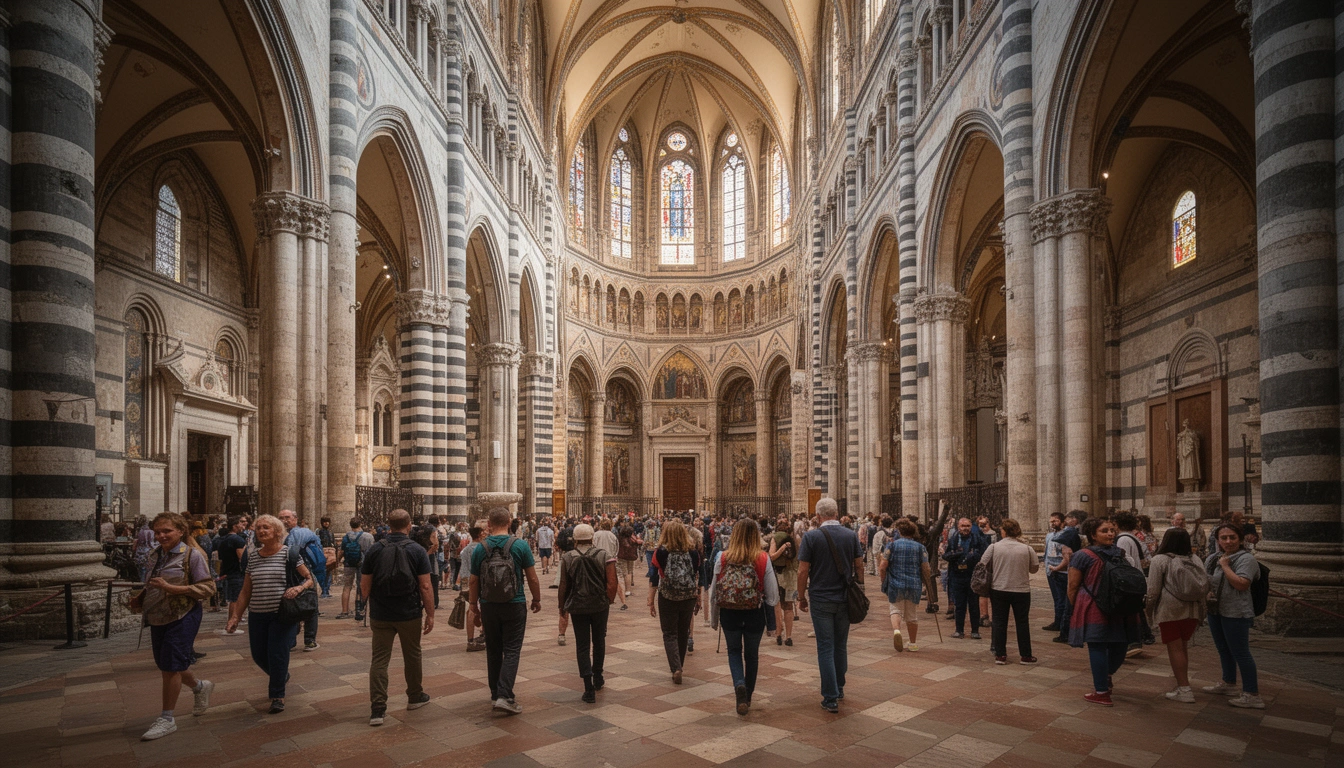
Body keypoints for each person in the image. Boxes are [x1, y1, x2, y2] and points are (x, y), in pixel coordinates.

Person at [132, 512, 216, 740]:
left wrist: (173, 589)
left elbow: (208, 588)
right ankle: (200, 686)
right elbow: (154, 583)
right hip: (158, 615)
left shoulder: (192, 555)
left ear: (180, 531)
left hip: (183, 614)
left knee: (170, 666)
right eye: (158, 532)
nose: (161, 536)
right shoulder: (154, 555)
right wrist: (140, 598)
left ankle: (167, 719)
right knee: (168, 663)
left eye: (167, 531)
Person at [225, 514, 315, 714]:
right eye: (258, 528)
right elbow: (246, 591)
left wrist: (298, 589)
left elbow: (309, 578)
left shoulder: (289, 554)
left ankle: (277, 695)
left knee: (277, 654)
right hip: (258, 613)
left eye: (266, 528)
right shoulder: (253, 556)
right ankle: (280, 676)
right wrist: (235, 617)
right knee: (258, 655)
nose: (261, 531)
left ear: (277, 532)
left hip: (282, 614)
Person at [361, 508, 434, 726]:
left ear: (388, 525)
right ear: (409, 525)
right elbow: (426, 585)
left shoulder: (375, 549)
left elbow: (364, 587)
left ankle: (378, 708)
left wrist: (371, 601)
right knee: (412, 655)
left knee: (379, 660)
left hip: (381, 613)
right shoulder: (417, 550)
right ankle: (414, 696)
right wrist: (430, 614)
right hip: (409, 612)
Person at [469, 507, 542, 714]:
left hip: (489, 605)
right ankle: (505, 695)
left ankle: (495, 694)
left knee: (493, 649)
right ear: (509, 522)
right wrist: (536, 599)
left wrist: (474, 606)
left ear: (489, 525)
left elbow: (473, 580)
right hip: (515, 603)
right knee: (511, 649)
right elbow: (532, 577)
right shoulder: (519, 545)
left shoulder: (480, 548)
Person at [1067, 518, 1142, 706]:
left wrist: (1077, 606)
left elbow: (1073, 587)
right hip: (1105, 604)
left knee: (1115, 645)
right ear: (1093, 535)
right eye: (1104, 531)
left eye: (1111, 530)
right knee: (1105, 644)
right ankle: (1103, 685)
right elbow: (1073, 585)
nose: (1110, 534)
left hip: (1109, 603)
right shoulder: (1086, 555)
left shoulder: (1117, 552)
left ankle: (1102, 685)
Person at [798, 497, 863, 713]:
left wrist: (801, 596)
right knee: (840, 644)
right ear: (836, 514)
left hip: (820, 598)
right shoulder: (850, 535)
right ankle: (840, 687)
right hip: (844, 598)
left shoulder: (812, 536)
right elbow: (859, 565)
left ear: (818, 516)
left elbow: (803, 570)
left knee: (825, 646)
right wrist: (859, 587)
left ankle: (830, 696)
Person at [710, 518, 778, 715]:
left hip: (729, 613)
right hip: (754, 613)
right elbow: (772, 596)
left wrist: (714, 620)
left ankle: (738, 684)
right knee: (751, 655)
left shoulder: (722, 556)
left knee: (733, 651)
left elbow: (714, 593)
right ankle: (747, 696)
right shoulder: (763, 558)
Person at [1203, 523, 1263, 708]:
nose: (1228, 541)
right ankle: (1228, 683)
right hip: (1216, 611)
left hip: (1236, 612)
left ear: (1240, 539)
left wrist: (1226, 567)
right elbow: (1207, 580)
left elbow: (1242, 584)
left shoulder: (1246, 559)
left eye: (1232, 537)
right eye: (1223, 538)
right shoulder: (1214, 558)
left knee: (1241, 652)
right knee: (1223, 649)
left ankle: (1252, 693)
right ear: (1217, 540)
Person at [1144, 527, 1208, 703]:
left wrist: (1149, 610)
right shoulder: (1194, 558)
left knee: (1175, 649)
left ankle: (1184, 689)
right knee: (1182, 647)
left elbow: (1153, 590)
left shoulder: (1160, 559)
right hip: (1192, 609)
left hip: (1170, 610)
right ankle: (1182, 684)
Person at [557, 523, 618, 703]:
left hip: (578, 606)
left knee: (582, 645)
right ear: (592, 538)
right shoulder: (603, 555)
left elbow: (563, 585)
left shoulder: (568, 557)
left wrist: (562, 607)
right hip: (599, 605)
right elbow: (612, 582)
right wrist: (609, 600)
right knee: (599, 641)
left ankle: (588, 687)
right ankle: (598, 676)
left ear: (575, 539)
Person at [649, 520, 702, 684]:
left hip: (667, 596)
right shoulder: (693, 552)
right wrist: (698, 596)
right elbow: (697, 575)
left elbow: (654, 576)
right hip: (688, 596)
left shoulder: (661, 552)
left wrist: (650, 600)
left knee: (669, 633)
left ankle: (676, 667)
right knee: (683, 631)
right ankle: (680, 665)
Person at [981, 518, 1040, 665]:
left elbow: (982, 563)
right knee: (1022, 622)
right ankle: (1026, 655)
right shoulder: (1027, 548)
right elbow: (1034, 568)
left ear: (1004, 531)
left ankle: (1000, 654)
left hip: (999, 588)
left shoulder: (994, 547)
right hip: (1021, 589)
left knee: (1000, 621)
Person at [878, 517, 930, 653]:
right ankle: (913, 643)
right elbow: (926, 568)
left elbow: (883, 566)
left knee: (895, 609)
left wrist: (883, 580)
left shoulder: (892, 545)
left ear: (900, 531)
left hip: (896, 583)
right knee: (912, 615)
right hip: (914, 584)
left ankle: (896, 631)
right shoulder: (920, 547)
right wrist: (927, 583)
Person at [278, 509, 326, 651]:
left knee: (308, 606)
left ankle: (308, 640)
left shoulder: (299, 533)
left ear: (295, 519)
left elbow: (291, 554)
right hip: (293, 573)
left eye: (287, 517)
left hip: (302, 572)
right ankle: (297, 640)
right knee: (292, 606)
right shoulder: (283, 534)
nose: (284, 520)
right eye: (281, 518)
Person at [1115, 510, 1155, 650]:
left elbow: (1123, 560)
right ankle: (1143, 636)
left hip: (1129, 580)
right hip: (1134, 578)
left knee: (1131, 612)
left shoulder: (1123, 539)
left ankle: (1136, 639)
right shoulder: (1130, 537)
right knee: (1136, 611)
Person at [942, 517, 988, 640]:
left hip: (972, 575)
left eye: (968, 526)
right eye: (963, 526)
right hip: (957, 575)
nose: (965, 529)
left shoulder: (977, 538)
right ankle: (959, 630)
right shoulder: (954, 539)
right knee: (959, 604)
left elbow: (985, 553)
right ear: (958, 526)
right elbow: (945, 554)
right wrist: (955, 555)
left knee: (973, 604)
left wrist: (973, 556)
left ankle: (975, 630)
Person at [769, 515, 799, 646]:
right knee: (789, 606)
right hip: (791, 577)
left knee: (777, 606)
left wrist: (781, 549)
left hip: (778, 576)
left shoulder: (775, 538)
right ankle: (789, 636)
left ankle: (778, 634)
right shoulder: (796, 539)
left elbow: (771, 556)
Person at [338, 518, 374, 619]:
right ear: (360, 524)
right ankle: (361, 609)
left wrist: (337, 561)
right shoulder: (368, 536)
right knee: (361, 585)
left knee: (347, 586)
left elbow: (341, 551)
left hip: (349, 563)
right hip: (363, 564)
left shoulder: (346, 537)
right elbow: (372, 552)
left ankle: (345, 611)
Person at [216, 516, 249, 628]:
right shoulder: (237, 540)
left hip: (229, 570)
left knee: (233, 598)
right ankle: (232, 622)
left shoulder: (224, 539)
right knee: (236, 598)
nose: (242, 526)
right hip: (237, 572)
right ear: (235, 526)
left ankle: (234, 619)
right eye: (241, 524)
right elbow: (242, 558)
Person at [459, 525, 485, 651]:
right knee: (484, 607)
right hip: (479, 581)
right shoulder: (482, 548)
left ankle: (470, 639)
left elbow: (463, 568)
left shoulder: (465, 550)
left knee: (471, 609)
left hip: (466, 581)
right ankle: (483, 634)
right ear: (479, 535)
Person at [592, 519, 625, 610]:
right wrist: (614, 556)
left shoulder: (596, 534)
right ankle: (620, 600)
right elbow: (616, 548)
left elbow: (593, 546)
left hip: (597, 560)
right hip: (610, 560)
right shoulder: (612, 536)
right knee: (613, 580)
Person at [616, 521, 642, 598]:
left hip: (621, 556)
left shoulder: (619, 538)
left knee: (622, 573)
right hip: (630, 556)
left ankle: (623, 589)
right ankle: (628, 590)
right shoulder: (632, 539)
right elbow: (638, 543)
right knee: (629, 572)